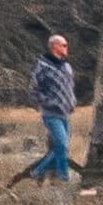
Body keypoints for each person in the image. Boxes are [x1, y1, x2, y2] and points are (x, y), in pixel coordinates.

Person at [30, 33, 76, 186]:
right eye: (64, 45)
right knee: (62, 145)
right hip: (51, 114)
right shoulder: (43, 67)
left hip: (66, 113)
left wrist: (72, 101)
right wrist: (49, 102)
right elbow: (34, 89)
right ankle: (64, 177)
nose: (66, 48)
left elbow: (69, 87)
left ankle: (38, 171)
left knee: (63, 147)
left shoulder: (67, 66)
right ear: (55, 46)